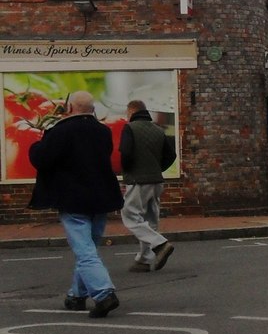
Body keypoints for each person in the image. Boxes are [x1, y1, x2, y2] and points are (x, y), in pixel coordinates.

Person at [29, 90, 123, 318]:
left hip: (73, 199)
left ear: (69, 108)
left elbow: (42, 159)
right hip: (100, 198)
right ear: (92, 109)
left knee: (85, 251)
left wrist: (35, 145)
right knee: (89, 247)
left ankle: (103, 293)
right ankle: (76, 296)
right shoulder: (103, 131)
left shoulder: (61, 131)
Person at [119, 99, 176, 273]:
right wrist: (158, 169)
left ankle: (160, 244)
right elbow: (171, 155)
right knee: (150, 220)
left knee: (130, 216)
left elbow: (126, 154)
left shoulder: (129, 128)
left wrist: (127, 172)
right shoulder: (158, 129)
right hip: (156, 181)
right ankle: (144, 260)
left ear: (131, 112)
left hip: (138, 180)